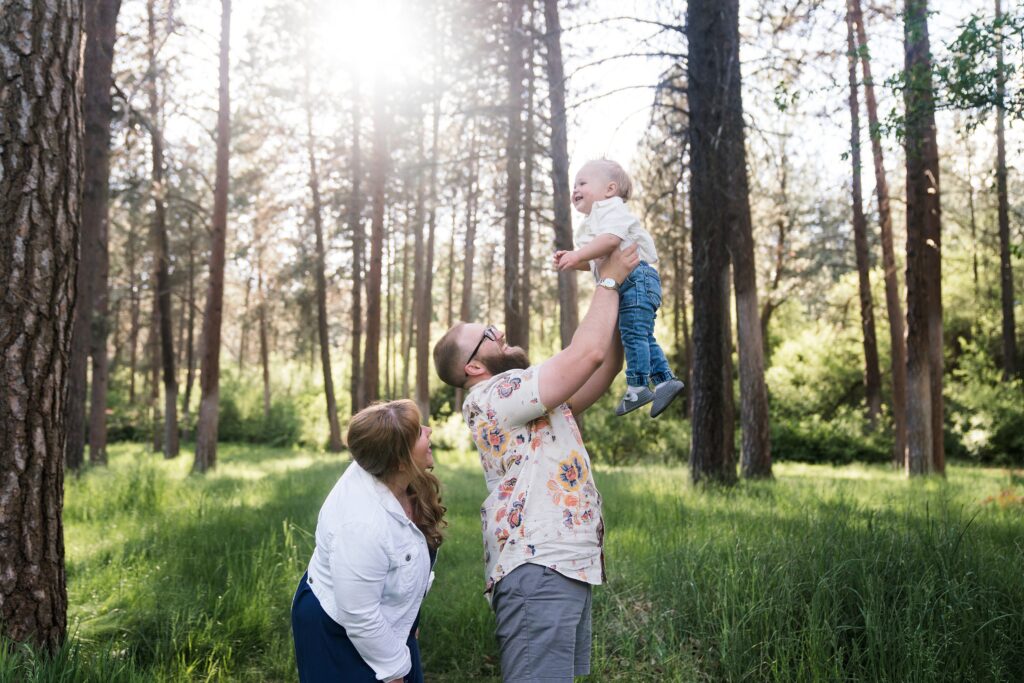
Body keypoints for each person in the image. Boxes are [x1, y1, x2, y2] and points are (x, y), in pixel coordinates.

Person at [432, 243, 640, 682]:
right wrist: (607, 279)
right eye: (486, 333)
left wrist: (624, 299)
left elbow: (600, 369)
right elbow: (586, 355)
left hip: (563, 564)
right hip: (538, 567)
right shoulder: (495, 395)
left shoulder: (524, 399)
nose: (498, 332)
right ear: (472, 368)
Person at [291, 400, 445, 683]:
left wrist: (410, 620)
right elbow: (359, 615)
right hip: (338, 627)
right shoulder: (361, 525)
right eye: (418, 433)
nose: (429, 430)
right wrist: (396, 672)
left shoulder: (399, 477)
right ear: (400, 460)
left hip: (376, 613)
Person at [554, 158, 685, 418]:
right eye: (573, 185)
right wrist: (575, 261)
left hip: (637, 278)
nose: (575, 189)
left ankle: (637, 386)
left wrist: (578, 254)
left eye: (582, 182)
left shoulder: (610, 209)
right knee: (641, 334)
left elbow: (610, 241)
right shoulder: (593, 222)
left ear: (610, 189)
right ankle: (664, 381)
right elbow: (598, 263)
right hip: (631, 281)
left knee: (633, 334)